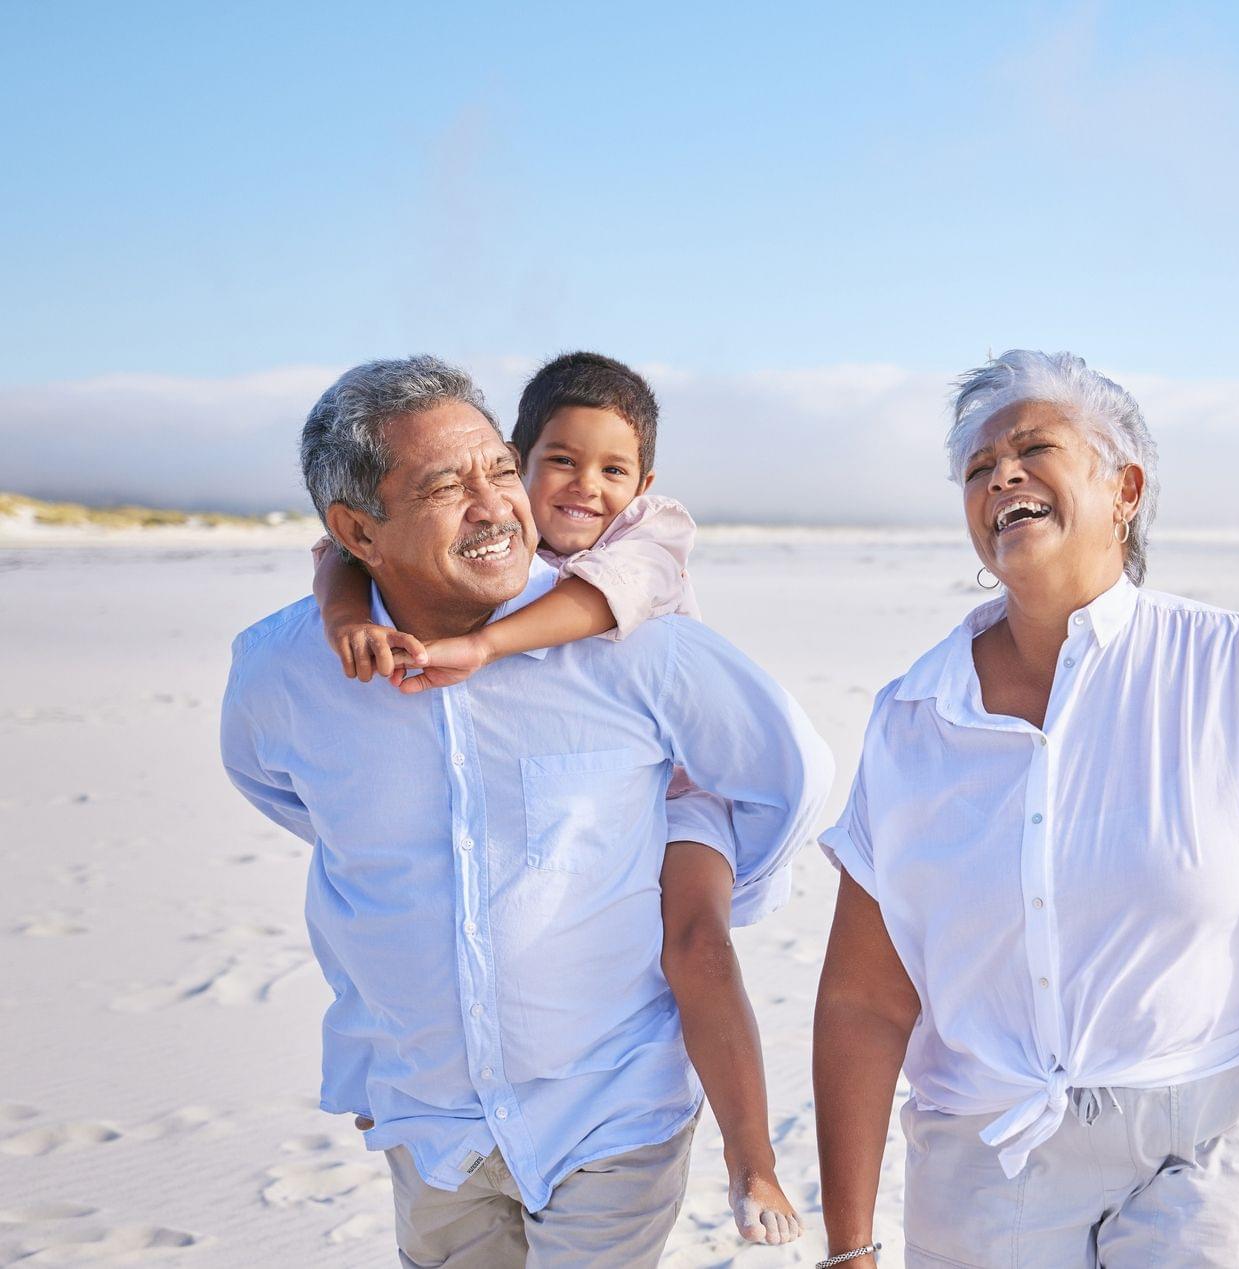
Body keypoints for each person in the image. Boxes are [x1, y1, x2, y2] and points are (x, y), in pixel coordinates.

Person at [221, 356, 829, 1265]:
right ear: (357, 528)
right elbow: (281, 791)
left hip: (609, 1105)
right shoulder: (284, 672)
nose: (495, 504)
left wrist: (692, 869)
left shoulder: (633, 637)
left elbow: (791, 777)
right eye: (445, 485)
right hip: (428, 1117)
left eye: (499, 470)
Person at [812, 350, 1239, 1268]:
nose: (1000, 472)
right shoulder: (911, 718)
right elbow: (862, 999)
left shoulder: (1230, 665)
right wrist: (848, 1247)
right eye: (975, 468)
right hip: (983, 1152)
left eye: (1033, 446)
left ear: (1124, 488)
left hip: (1202, 1138)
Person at [312, 350, 700, 687]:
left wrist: (483, 646)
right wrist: (345, 621)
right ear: (519, 463)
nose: (587, 485)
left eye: (613, 471)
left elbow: (601, 595)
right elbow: (343, 553)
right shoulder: (514, 531)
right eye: (563, 461)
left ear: (642, 485)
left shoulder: (648, 534)